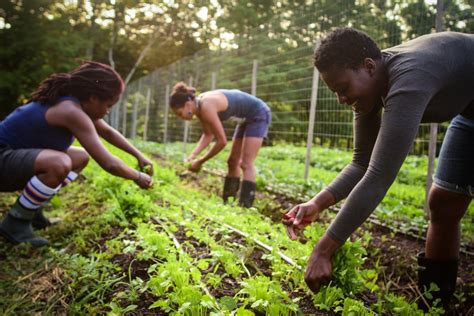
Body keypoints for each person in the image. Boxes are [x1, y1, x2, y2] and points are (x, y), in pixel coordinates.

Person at [282, 28, 473, 308]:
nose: (342, 99)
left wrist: (324, 250)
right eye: (335, 92)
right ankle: (435, 308)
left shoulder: (409, 77)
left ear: (368, 67)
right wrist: (316, 204)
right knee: (443, 203)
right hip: (470, 115)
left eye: (343, 88)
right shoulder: (369, 90)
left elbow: (379, 175)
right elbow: (361, 163)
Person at [0, 61, 154, 247]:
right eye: (108, 104)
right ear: (93, 98)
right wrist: (137, 176)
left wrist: (139, 156)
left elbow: (108, 133)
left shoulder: (75, 104)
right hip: (3, 158)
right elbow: (108, 163)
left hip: (10, 158)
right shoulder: (70, 111)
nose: (108, 111)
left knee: (79, 157)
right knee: (59, 162)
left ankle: (31, 210)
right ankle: (15, 223)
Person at [169, 82, 271, 208]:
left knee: (246, 163)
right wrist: (193, 155)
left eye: (180, 113)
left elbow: (222, 141)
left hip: (258, 113)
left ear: (188, 104)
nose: (181, 117)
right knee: (232, 162)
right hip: (245, 119)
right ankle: (228, 204)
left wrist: (200, 161)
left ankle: (245, 207)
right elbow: (208, 135)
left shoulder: (206, 106)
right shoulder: (199, 108)